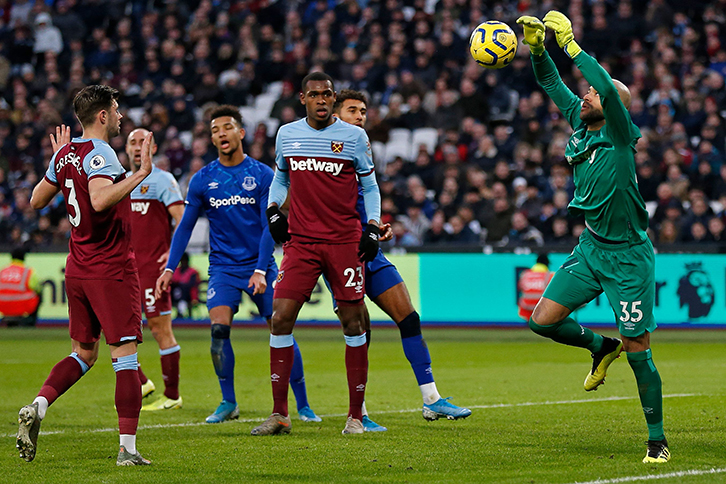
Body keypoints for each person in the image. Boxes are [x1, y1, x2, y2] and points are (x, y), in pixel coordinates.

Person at [517, 12, 669, 463]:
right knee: (541, 321)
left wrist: (573, 47)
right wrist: (540, 50)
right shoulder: (581, 125)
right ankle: (600, 346)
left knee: (640, 349)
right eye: (585, 94)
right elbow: (551, 85)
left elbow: (603, 86)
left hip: (628, 258)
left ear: (614, 105)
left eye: (593, 94)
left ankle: (656, 441)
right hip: (590, 248)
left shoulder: (620, 133)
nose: (584, 96)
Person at [155, 105, 320, 424]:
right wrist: (169, 268)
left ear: (240, 133)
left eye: (227, 128)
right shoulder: (203, 179)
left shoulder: (262, 175)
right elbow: (186, 227)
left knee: (280, 330)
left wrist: (260, 269)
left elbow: (267, 226)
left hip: (262, 266)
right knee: (218, 331)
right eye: (215, 130)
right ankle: (228, 402)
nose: (221, 134)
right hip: (223, 269)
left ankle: (302, 404)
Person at [20, 85, 152, 465]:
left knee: (83, 353)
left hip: (77, 267)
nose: (121, 117)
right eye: (117, 110)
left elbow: (35, 201)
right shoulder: (102, 153)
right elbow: (98, 199)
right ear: (103, 116)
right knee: (125, 357)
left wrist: (60, 162)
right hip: (109, 268)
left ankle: (39, 406)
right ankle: (127, 449)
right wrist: (139, 174)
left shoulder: (65, 154)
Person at [329, 89, 471, 431]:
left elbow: (366, 198)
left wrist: (375, 228)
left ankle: (432, 400)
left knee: (409, 318)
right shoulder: (323, 154)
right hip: (339, 254)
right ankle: (357, 411)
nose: (361, 116)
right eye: (352, 110)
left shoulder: (362, 150)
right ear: (335, 115)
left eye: (363, 110)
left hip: (370, 250)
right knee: (359, 330)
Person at [253, 72, 381, 436]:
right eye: (315, 95)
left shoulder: (355, 137)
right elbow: (280, 178)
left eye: (327, 94)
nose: (322, 100)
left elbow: (370, 186)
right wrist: (273, 209)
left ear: (333, 97)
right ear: (303, 99)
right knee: (280, 317)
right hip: (302, 243)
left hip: (344, 242)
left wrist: (372, 226)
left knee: (354, 322)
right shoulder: (287, 135)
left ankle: (355, 416)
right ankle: (280, 413)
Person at [125, 128, 185, 411]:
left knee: (160, 329)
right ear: (125, 150)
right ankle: (141, 382)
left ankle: (172, 396)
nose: (138, 147)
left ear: (154, 146)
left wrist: (171, 258)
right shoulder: (121, 182)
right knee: (119, 331)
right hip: (124, 270)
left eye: (143, 142)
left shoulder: (162, 180)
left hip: (152, 270)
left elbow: (182, 221)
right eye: (133, 143)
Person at [0, 247, 41, 327]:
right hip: (21, 305)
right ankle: (30, 322)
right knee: (38, 295)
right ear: (24, 258)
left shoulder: (3, 271)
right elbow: (37, 288)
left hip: (2, 305)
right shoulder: (28, 272)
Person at [516, 253, 553, 321]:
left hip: (526, 307)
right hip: (542, 307)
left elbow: (520, 288)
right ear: (547, 264)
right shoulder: (549, 275)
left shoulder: (525, 274)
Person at [171, 252, 200, 319]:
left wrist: (194, 299)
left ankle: (181, 311)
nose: (183, 262)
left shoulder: (193, 272)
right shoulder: (176, 271)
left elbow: (193, 286)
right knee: (177, 288)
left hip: (189, 296)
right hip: (175, 295)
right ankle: (180, 310)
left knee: (183, 288)